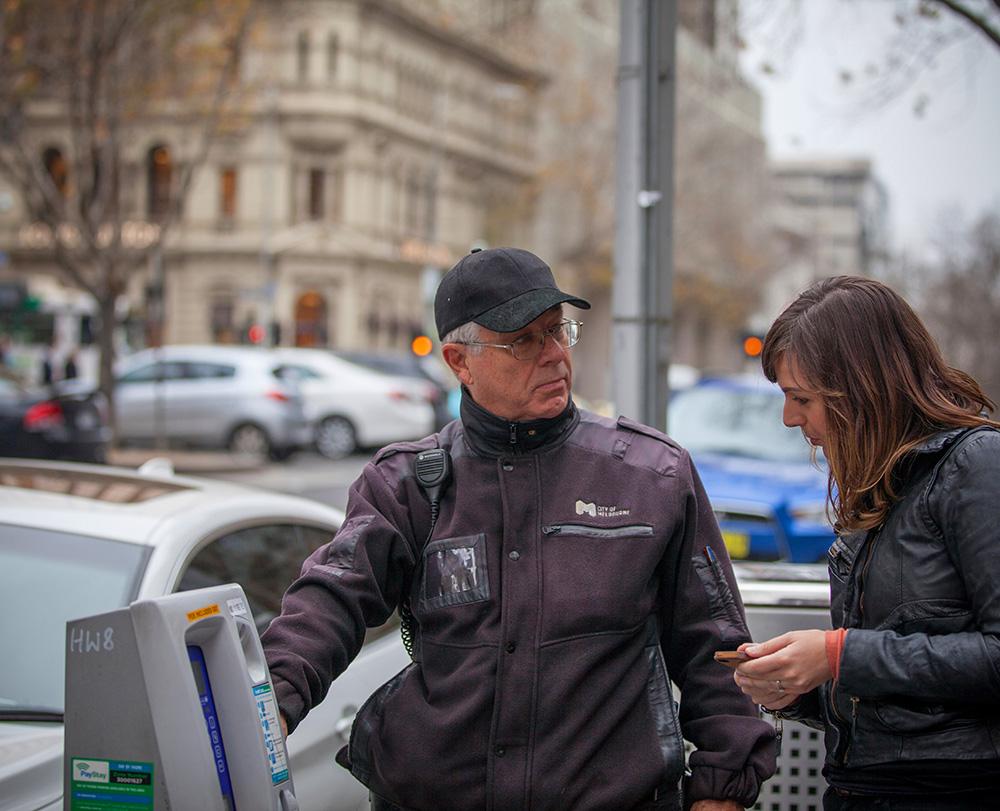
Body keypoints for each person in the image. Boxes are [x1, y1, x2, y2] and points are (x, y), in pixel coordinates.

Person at [262, 247, 776, 811]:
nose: (553, 355)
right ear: (459, 361)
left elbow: (715, 646)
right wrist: (271, 705)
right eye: (523, 341)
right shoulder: (405, 483)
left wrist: (722, 788)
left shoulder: (652, 475)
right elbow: (330, 601)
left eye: (557, 332)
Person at [731, 276, 1000, 810]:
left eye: (800, 398)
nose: (790, 418)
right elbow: (891, 685)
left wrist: (838, 654)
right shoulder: (879, 484)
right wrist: (801, 688)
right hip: (864, 785)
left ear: (861, 387)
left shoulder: (976, 465)